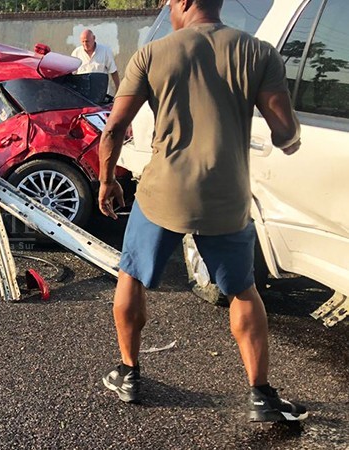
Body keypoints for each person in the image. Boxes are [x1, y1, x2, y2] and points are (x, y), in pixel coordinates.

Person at [97, 0, 307, 423]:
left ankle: (129, 373)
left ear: (186, 2)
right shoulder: (258, 52)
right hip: (226, 195)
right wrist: (292, 140)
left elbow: (115, 128)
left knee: (132, 275)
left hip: (163, 194)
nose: (168, 8)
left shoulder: (152, 53)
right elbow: (285, 131)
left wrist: (107, 180)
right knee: (243, 289)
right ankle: (261, 395)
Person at [71, 29, 120, 96]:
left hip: (102, 94)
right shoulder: (76, 53)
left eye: (87, 41)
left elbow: (113, 71)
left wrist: (118, 89)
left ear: (94, 38)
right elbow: (71, 75)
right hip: (82, 95)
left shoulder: (105, 51)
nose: (85, 44)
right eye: (83, 42)